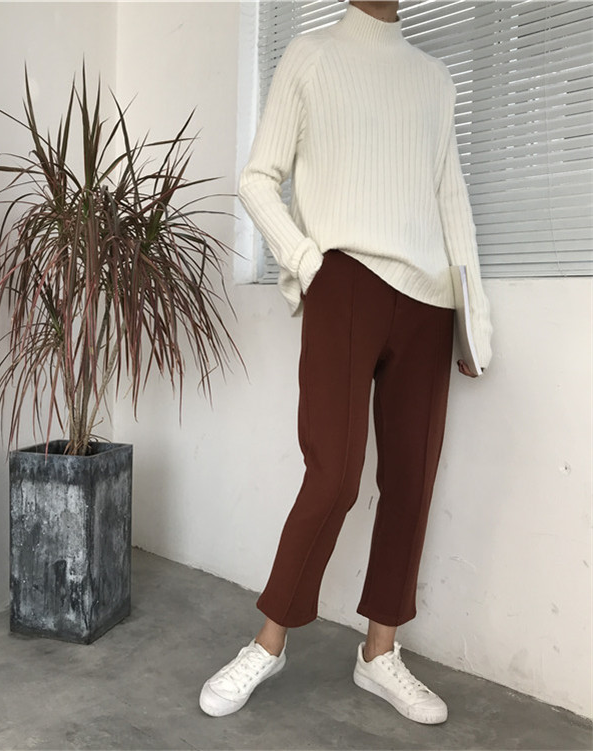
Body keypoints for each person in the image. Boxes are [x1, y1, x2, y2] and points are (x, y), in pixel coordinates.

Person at [198, 0, 493, 725]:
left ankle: (379, 653)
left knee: (411, 480)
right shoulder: (311, 57)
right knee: (334, 474)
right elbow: (257, 178)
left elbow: (450, 198)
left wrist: (474, 322)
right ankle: (268, 643)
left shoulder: (434, 80)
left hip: (430, 302)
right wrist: (309, 263)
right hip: (346, 281)